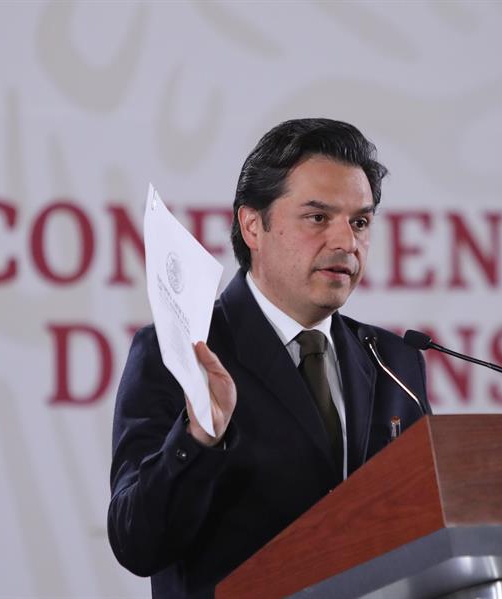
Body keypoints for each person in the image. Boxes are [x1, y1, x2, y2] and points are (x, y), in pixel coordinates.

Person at [107, 118, 430, 598]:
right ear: (253, 226)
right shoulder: (181, 349)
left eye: (360, 222)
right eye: (318, 218)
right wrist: (198, 439)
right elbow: (137, 542)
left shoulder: (393, 363)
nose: (346, 243)